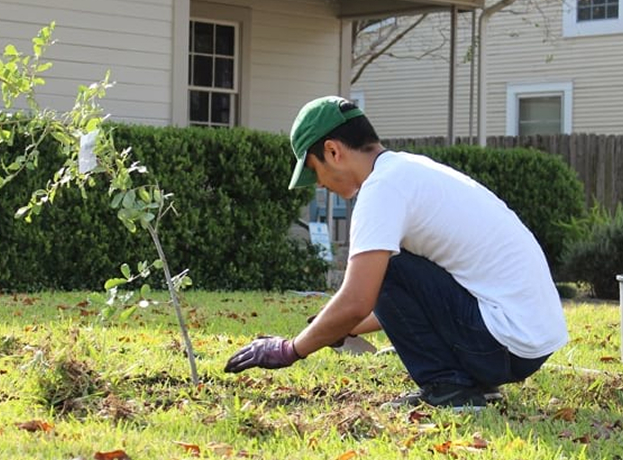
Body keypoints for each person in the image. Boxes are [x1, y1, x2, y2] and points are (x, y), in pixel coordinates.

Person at [224, 95, 568, 410]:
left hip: (503, 343)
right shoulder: (408, 171)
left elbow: (359, 297)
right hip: (523, 342)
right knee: (387, 267)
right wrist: (347, 327)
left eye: (315, 171)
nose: (319, 184)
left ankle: (450, 388)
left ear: (332, 151)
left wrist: (289, 349)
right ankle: (472, 383)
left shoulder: (382, 190)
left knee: (383, 266)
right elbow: (414, 300)